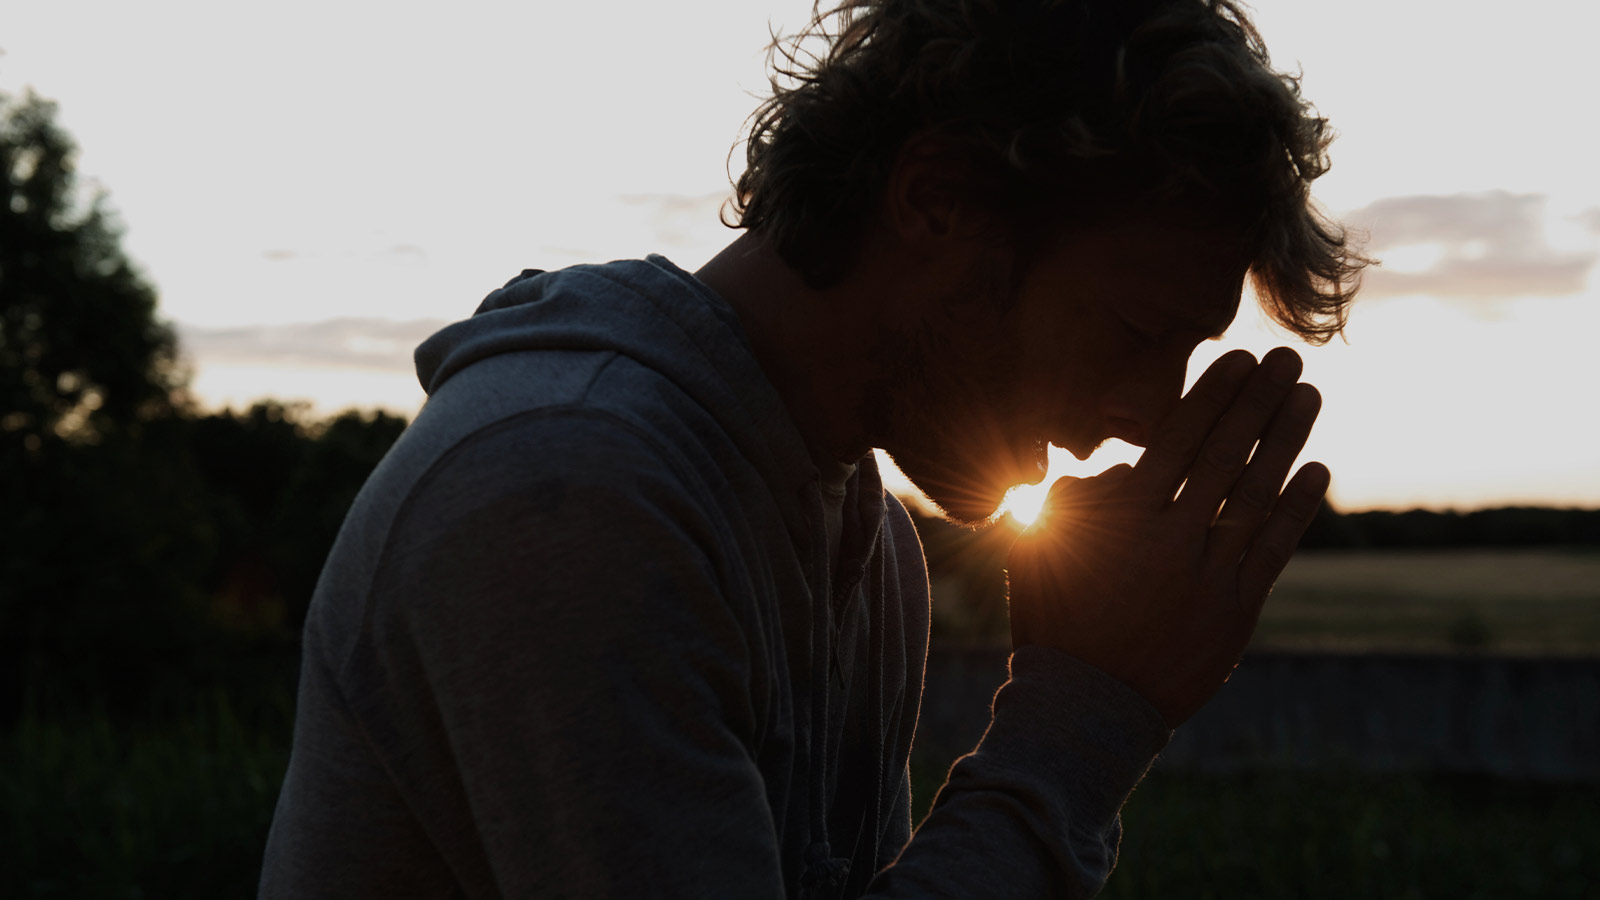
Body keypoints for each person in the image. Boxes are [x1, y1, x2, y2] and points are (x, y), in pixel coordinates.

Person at [260, 0, 1368, 897]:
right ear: (935, 200)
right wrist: (1083, 716)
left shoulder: (866, 538)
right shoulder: (568, 492)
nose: (1141, 411)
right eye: (1134, 336)